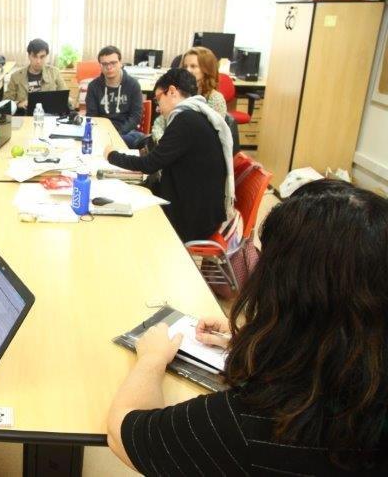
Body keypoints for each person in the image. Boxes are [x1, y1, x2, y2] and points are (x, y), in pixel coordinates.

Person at [107, 179, 388, 475]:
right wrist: (257, 342)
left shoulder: (249, 425)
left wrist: (151, 359)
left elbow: (122, 430)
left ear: (282, 290)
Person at [104, 68, 233, 242]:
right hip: (198, 208)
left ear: (172, 91)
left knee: (126, 219)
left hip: (192, 220)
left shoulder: (185, 120)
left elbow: (150, 164)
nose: (158, 108)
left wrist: (112, 156)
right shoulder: (195, 114)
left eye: (158, 99)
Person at [152, 46, 226, 142]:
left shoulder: (215, 99)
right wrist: (162, 142)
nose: (188, 70)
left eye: (193, 66)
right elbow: (160, 123)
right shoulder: (180, 92)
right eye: (185, 66)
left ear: (206, 69)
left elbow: (209, 138)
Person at [84, 45, 144, 147]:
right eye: (104, 64)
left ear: (120, 63)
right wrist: (104, 133)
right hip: (101, 132)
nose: (109, 67)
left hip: (126, 132)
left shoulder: (133, 85)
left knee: (138, 139)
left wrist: (117, 133)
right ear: (100, 66)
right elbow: (92, 115)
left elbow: (135, 116)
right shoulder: (94, 86)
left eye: (113, 63)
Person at [5, 38, 67, 113]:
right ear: (29, 56)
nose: (38, 61)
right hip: (24, 116)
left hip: (49, 116)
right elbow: (6, 104)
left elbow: (65, 98)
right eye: (34, 56)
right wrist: (18, 104)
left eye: (42, 57)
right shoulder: (16, 76)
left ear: (46, 56)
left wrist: (67, 102)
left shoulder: (55, 73)